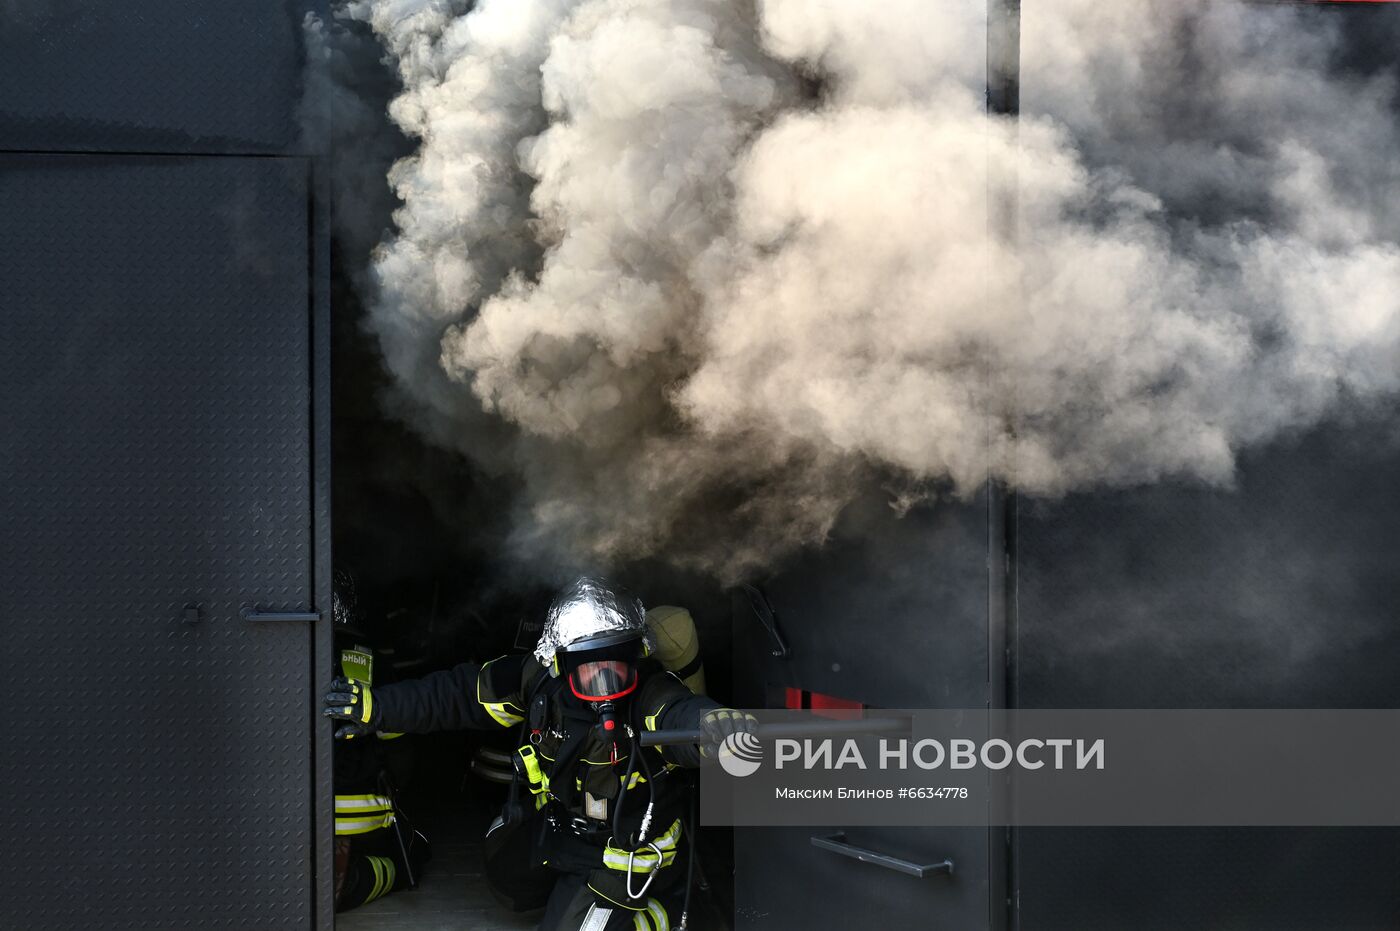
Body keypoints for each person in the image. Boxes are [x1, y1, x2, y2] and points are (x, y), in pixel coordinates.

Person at [323, 577, 756, 931]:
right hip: (566, 829)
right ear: (559, 664)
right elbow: (454, 694)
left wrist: (718, 729)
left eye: (617, 668)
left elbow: (686, 716)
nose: (604, 685)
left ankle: (667, 912)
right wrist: (375, 707)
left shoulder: (650, 696)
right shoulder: (535, 682)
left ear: (636, 659)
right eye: (589, 670)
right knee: (507, 874)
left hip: (625, 856)